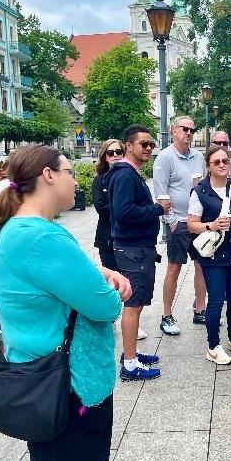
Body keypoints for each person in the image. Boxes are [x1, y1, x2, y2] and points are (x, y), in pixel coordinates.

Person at [0, 144, 130, 461]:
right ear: (48, 176)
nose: (75, 179)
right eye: (69, 170)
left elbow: (68, 274)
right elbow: (103, 306)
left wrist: (101, 273)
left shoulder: (23, 228)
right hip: (56, 375)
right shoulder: (39, 237)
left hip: (39, 367)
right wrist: (108, 289)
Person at [187, 145, 231, 365]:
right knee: (215, 301)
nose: (223, 165)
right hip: (213, 256)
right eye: (217, 162)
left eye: (225, 161)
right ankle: (213, 346)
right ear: (209, 167)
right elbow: (191, 225)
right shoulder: (200, 192)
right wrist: (211, 225)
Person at [107, 125, 162, 381]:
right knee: (133, 304)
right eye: (144, 144)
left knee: (136, 304)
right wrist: (157, 210)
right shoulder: (125, 175)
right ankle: (129, 364)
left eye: (151, 144)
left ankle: (132, 352)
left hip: (137, 247)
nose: (149, 148)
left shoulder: (130, 173)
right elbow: (124, 212)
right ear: (129, 146)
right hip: (132, 249)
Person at [153, 116, 208, 335]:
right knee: (174, 268)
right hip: (178, 222)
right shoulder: (165, 157)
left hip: (197, 220)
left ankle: (200, 310)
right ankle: (166, 316)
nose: (189, 133)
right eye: (185, 129)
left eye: (192, 130)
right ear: (173, 130)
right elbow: (160, 192)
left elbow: (203, 186)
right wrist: (172, 222)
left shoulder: (198, 157)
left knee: (201, 266)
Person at [93, 139, 147, 340]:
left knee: (130, 281)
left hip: (126, 239)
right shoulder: (101, 180)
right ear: (104, 157)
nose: (115, 156)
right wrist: (123, 208)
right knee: (114, 281)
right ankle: (114, 319)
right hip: (107, 238)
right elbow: (102, 208)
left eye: (118, 152)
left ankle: (131, 322)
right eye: (110, 153)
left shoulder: (127, 175)